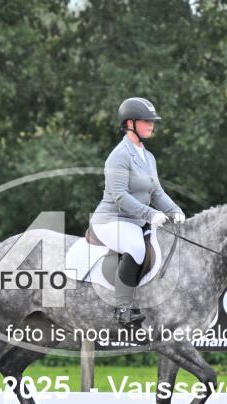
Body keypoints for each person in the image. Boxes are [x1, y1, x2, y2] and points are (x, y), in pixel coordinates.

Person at [89, 97, 185, 327]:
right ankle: (123, 308)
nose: (151, 125)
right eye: (146, 121)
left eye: (152, 121)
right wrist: (150, 214)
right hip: (111, 219)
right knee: (136, 247)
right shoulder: (119, 156)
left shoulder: (148, 156)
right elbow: (120, 196)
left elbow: (157, 192)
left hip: (136, 221)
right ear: (130, 123)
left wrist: (175, 210)